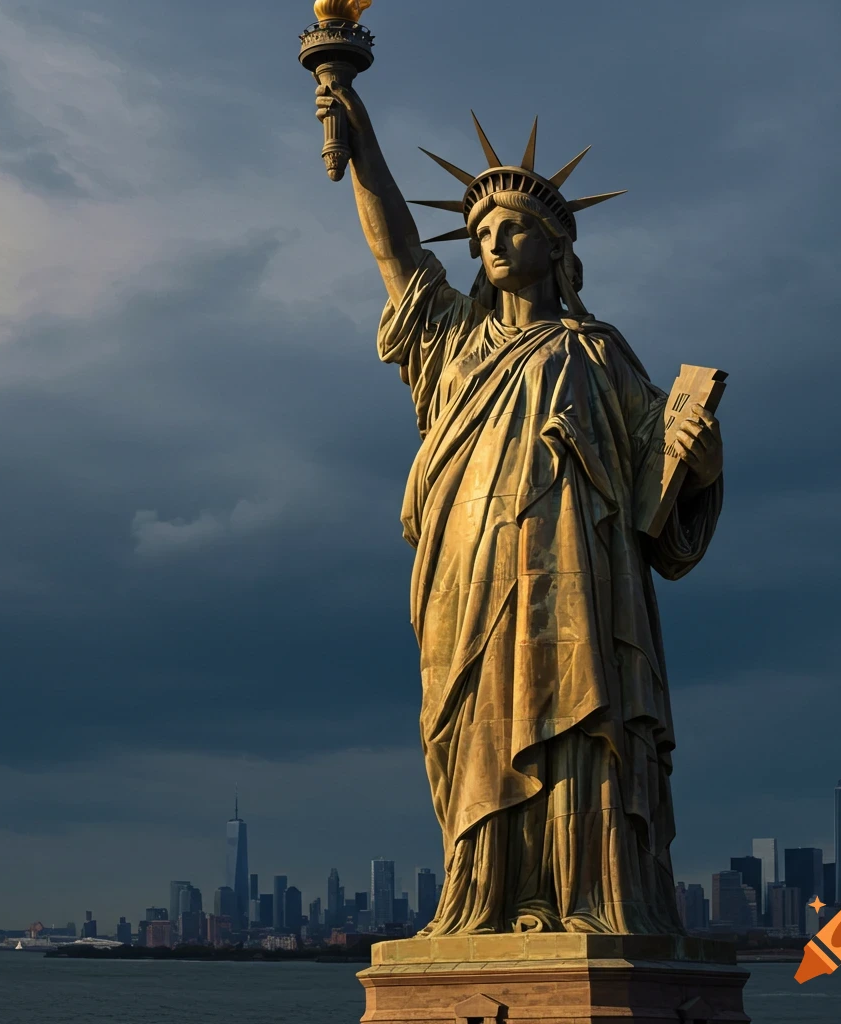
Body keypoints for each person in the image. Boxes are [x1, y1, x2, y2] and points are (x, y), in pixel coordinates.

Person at [317, 83, 724, 936]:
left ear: (558, 244)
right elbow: (394, 247)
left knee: (580, 716)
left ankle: (585, 898)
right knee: (476, 724)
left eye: (514, 228)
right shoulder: (453, 340)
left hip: (578, 570)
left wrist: (699, 451)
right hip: (468, 568)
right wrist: (359, 132)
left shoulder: (597, 351)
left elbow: (662, 485)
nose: (494, 241)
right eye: (482, 233)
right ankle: (488, 901)